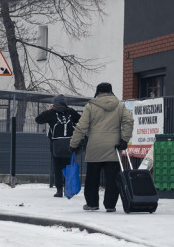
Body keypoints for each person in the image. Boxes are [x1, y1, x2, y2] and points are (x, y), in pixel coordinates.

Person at [68, 82, 133, 212]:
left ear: (97, 92)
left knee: (92, 177)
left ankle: (92, 204)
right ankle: (110, 205)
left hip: (94, 146)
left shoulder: (90, 106)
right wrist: (124, 139)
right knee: (112, 178)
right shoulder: (120, 106)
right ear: (111, 91)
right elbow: (128, 121)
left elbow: (81, 126)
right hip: (113, 146)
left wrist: (73, 143)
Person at [35, 95, 82, 197]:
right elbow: (81, 121)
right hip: (70, 144)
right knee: (69, 166)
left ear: (54, 103)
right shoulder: (71, 112)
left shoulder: (51, 113)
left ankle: (59, 190)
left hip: (56, 145)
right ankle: (68, 189)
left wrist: (49, 109)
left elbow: (38, 119)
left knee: (57, 167)